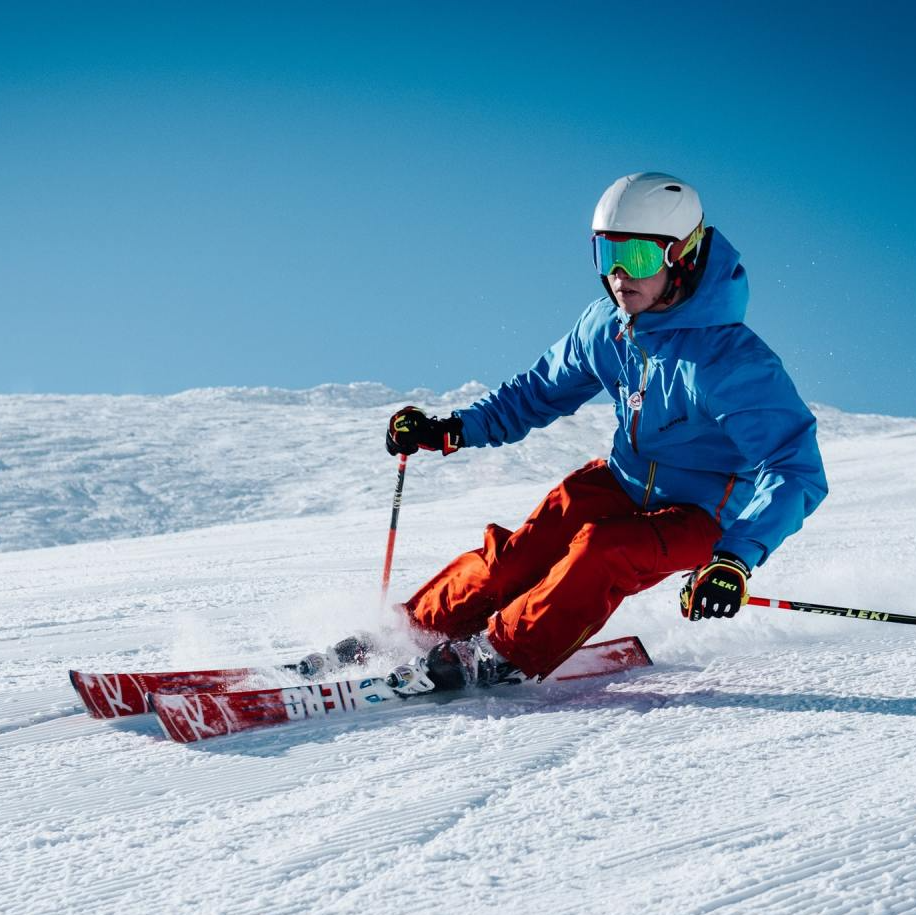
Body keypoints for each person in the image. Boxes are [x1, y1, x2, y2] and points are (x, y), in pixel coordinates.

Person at [383, 171, 828, 695]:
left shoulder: (731, 362)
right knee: (521, 554)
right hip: (620, 480)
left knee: (603, 549)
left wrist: (736, 557)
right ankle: (409, 631)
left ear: (681, 255)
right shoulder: (606, 325)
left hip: (702, 514)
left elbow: (793, 469)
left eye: (637, 257)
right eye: (606, 255)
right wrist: (452, 428)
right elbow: (536, 392)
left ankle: (501, 654)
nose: (619, 275)